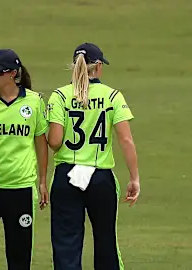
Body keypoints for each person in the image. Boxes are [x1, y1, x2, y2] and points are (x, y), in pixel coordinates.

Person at [47, 43, 140, 270]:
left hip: (66, 176)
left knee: (66, 244)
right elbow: (125, 140)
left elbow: (55, 142)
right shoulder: (112, 96)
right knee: (106, 241)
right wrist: (134, 177)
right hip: (100, 177)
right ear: (98, 67)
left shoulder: (60, 96)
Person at [0, 49, 49, 270]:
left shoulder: (34, 102)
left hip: (21, 187)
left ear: (13, 73)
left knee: (20, 253)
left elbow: (40, 143)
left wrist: (42, 181)